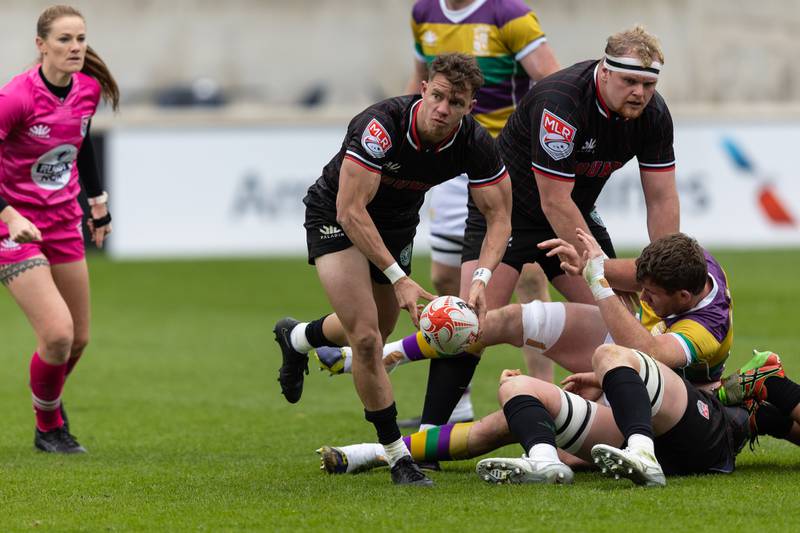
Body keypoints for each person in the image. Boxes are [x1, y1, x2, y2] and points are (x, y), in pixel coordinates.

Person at [319, 25, 681, 433]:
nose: (640, 92)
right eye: (630, 81)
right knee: (467, 325)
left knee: (620, 320)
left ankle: (623, 422)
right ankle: (429, 436)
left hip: (574, 216)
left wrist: (663, 270)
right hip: (513, 217)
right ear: (605, 72)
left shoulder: (653, 114)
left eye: (648, 84)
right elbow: (552, 201)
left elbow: (662, 198)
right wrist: (599, 265)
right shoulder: (561, 102)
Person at [316, 231, 738, 478]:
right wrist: (592, 265)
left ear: (684, 296)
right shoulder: (691, 266)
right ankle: (385, 354)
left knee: (498, 425)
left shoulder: (707, 326)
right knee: (510, 319)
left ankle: (376, 452)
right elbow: (621, 273)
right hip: (625, 368)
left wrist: (601, 285)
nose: (642, 297)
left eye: (652, 296)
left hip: (659, 402)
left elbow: (646, 351)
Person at [272, 53, 513, 486]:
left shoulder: (475, 143)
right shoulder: (381, 125)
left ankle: (296, 338)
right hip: (336, 216)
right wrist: (400, 279)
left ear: (470, 106)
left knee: (375, 331)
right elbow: (351, 210)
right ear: (423, 89)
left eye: (455, 102)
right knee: (365, 339)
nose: (443, 108)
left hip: (396, 228)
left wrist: (483, 278)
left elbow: (499, 217)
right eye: (437, 96)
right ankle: (397, 456)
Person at [408, 0, 561, 395]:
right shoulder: (423, 12)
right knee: (444, 277)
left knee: (527, 275)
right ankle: (455, 400)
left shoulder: (509, 14)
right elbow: (418, 82)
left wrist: (532, 144)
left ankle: (542, 390)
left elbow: (552, 84)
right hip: (447, 158)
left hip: (504, 160)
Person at [0, 5, 119, 454]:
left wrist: (98, 204)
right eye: (65, 39)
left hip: (64, 222)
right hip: (13, 228)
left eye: (81, 39)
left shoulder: (86, 90)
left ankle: (45, 399)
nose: (75, 48)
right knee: (57, 335)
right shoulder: (16, 97)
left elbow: (80, 142)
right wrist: (10, 215)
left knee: (78, 339)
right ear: (41, 45)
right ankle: (48, 425)